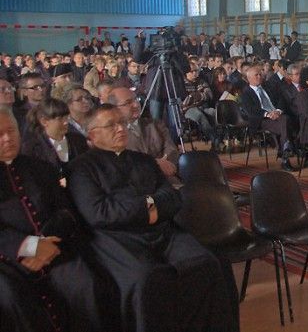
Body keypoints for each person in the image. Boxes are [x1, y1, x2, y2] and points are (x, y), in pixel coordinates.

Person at [68, 104, 236, 332]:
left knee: (206, 263)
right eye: (111, 125)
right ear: (92, 135)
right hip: (118, 240)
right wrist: (149, 205)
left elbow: (172, 198)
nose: (121, 129)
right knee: (146, 280)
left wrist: (146, 205)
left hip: (163, 233)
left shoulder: (143, 160)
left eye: (122, 123)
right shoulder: (81, 169)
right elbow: (99, 212)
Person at [0, 108, 118, 332]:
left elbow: (66, 211)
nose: (7, 138)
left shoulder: (41, 168)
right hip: (9, 259)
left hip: (54, 248)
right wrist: (29, 247)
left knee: (85, 284)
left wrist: (47, 243)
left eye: (11, 131)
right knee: (11, 299)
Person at [106, 87, 181, 186]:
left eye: (136, 99)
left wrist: (167, 166)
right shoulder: (111, 134)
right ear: (114, 108)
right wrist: (153, 165)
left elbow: (171, 150)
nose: (136, 105)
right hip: (133, 187)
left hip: (166, 180)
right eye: (128, 103)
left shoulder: (156, 125)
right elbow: (121, 164)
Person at [240, 65, 298, 171]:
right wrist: (267, 114)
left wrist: (278, 111)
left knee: (285, 120)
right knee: (285, 122)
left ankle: (285, 152)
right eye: (256, 75)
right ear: (249, 78)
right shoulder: (246, 93)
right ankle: (286, 152)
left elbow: (281, 100)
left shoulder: (268, 87)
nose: (259, 77)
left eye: (260, 74)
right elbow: (251, 111)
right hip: (262, 120)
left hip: (277, 116)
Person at [21, 98, 89, 180]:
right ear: (44, 121)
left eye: (66, 117)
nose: (66, 122)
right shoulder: (31, 148)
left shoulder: (78, 140)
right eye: (60, 119)